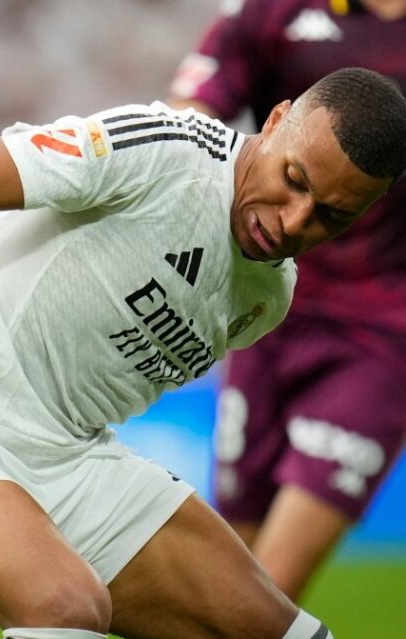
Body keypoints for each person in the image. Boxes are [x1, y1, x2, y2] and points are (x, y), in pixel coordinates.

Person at [0, 67, 406, 638]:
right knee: (62, 606)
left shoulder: (271, 295)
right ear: (274, 122)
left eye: (331, 215)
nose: (294, 221)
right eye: (294, 180)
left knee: (284, 631)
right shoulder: (166, 150)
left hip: (65, 457)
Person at [168, 0, 406, 601]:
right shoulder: (272, 11)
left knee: (266, 591)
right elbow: (191, 115)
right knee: (232, 574)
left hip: (380, 336)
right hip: (263, 312)